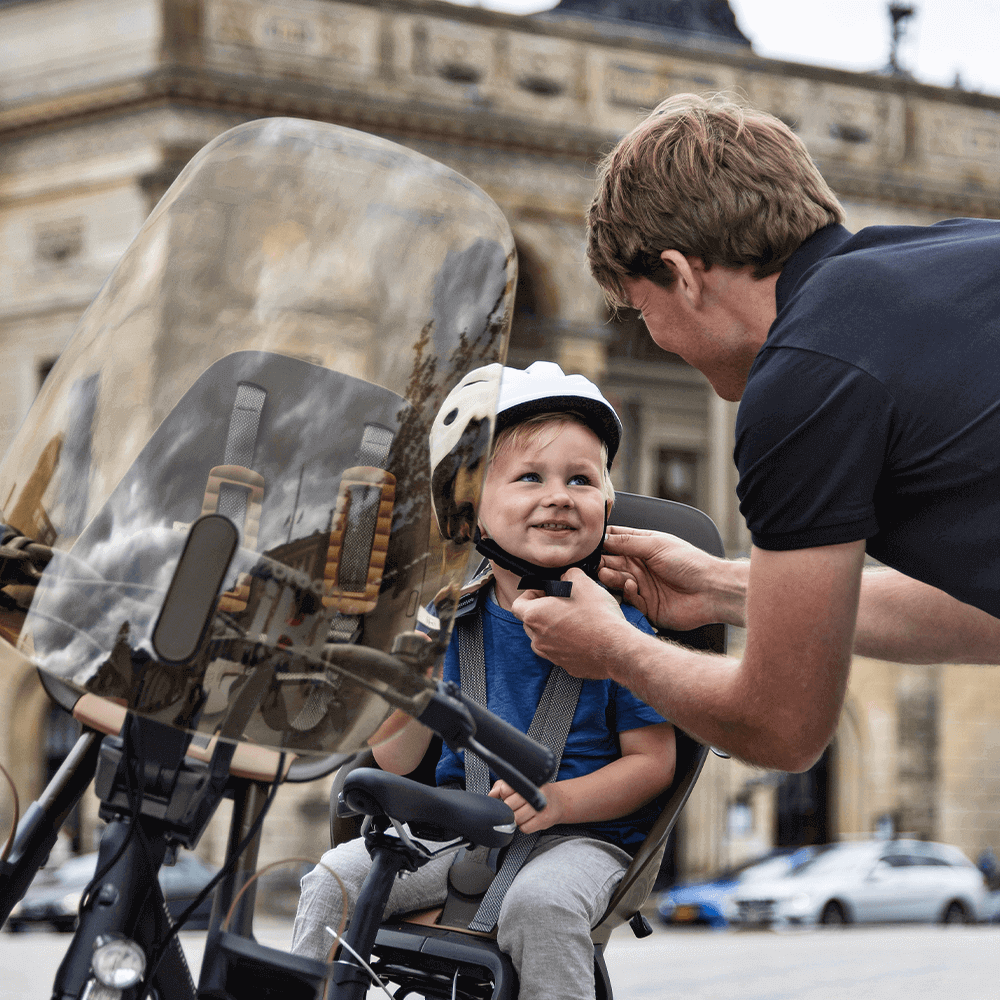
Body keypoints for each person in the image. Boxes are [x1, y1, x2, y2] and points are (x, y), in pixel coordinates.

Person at [510, 91, 1000, 775]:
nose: (655, 338)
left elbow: (782, 727)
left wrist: (615, 648)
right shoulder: (958, 252)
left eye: (642, 311)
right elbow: (986, 619)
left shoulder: (801, 378)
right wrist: (725, 588)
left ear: (682, 276)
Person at [291, 362, 676, 1000]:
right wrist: (402, 681)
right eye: (530, 477)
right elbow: (398, 757)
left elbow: (653, 763)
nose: (559, 495)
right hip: (455, 831)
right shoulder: (446, 621)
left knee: (541, 907)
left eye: (581, 479)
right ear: (470, 511)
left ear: (605, 501)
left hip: (583, 838)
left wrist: (564, 802)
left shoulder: (621, 629)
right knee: (334, 877)